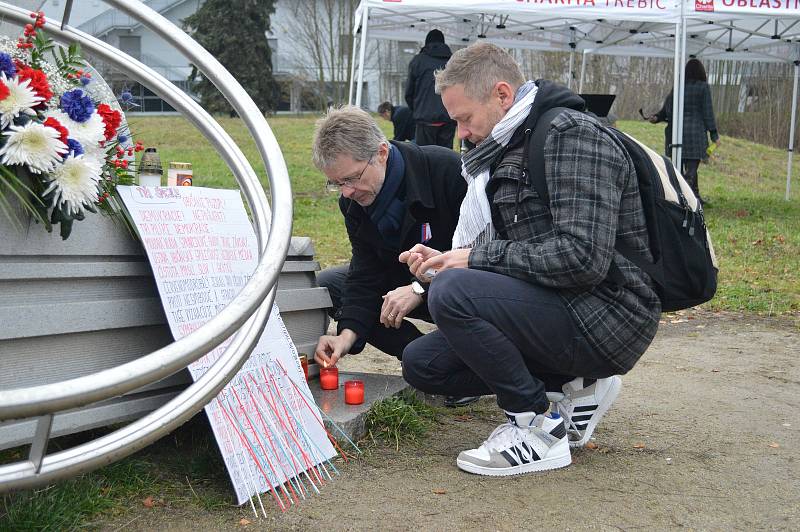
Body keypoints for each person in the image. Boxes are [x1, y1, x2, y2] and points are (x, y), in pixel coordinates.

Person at [398, 42, 661, 476]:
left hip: (609, 314)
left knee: (454, 291)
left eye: (464, 118)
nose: (460, 133)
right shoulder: (509, 144)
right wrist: (448, 257)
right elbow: (516, 246)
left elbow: (583, 258)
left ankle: (538, 427)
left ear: (502, 95)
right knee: (423, 364)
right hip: (565, 302)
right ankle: (572, 387)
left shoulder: (569, 135)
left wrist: (475, 260)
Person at [312, 105, 477, 408]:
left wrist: (421, 287)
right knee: (331, 284)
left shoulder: (448, 172)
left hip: (465, 285)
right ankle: (427, 357)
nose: (346, 192)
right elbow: (365, 271)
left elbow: (482, 255)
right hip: (407, 282)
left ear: (382, 153)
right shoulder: (354, 201)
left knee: (453, 285)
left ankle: (466, 366)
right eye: (337, 183)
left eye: (352, 178)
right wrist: (345, 337)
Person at [649, 58, 720, 204]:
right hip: (696, 133)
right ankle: (684, 199)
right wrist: (714, 134)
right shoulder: (703, 87)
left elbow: (668, 108)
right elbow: (708, 112)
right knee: (691, 169)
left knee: (680, 168)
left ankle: (695, 196)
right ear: (701, 72)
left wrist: (657, 117)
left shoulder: (678, 87)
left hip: (677, 134)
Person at [405, 29, 456, 149]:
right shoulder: (453, 62)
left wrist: (418, 110)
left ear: (426, 43)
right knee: (446, 158)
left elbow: (409, 93)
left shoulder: (417, 61)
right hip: (448, 119)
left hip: (425, 120)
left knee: (423, 159)